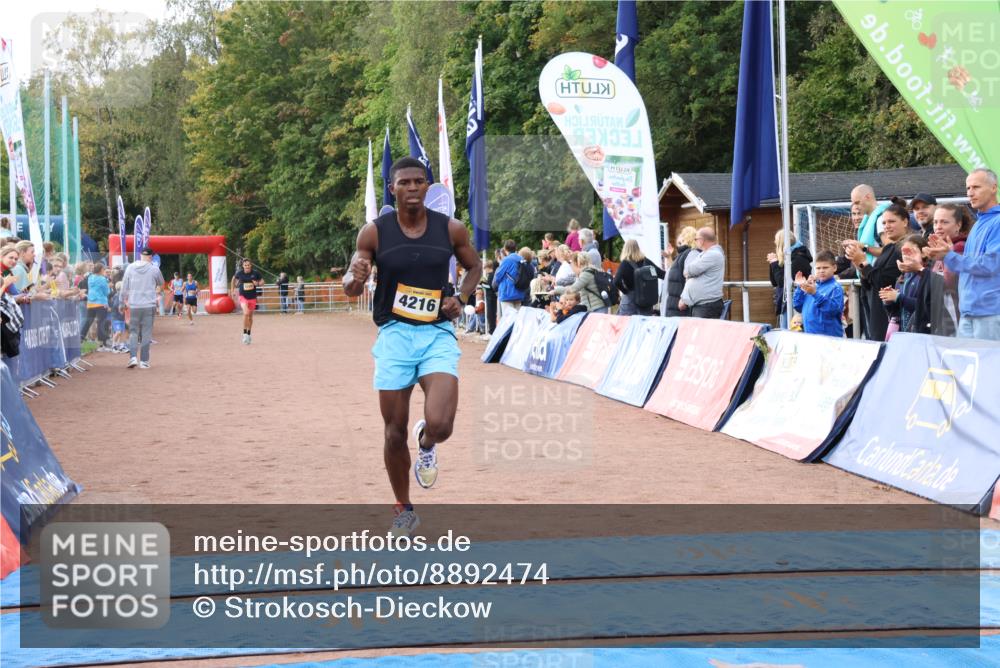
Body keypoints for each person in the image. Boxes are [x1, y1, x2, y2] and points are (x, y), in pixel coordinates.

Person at [342, 156, 482, 536]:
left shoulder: (451, 229)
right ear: (393, 188)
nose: (413, 188)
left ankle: (427, 441)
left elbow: (475, 267)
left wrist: (463, 299)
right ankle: (404, 509)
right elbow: (352, 285)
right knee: (392, 431)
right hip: (394, 335)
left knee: (442, 423)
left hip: (436, 333)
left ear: (428, 186)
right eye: (404, 182)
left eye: (419, 182)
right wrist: (354, 279)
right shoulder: (374, 233)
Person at [925, 167, 1000, 341]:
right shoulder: (979, 224)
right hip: (968, 312)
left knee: (990, 368)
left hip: (990, 312)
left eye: (976, 187)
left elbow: (991, 265)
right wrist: (940, 256)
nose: (970, 193)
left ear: (994, 188)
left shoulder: (997, 222)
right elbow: (966, 268)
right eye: (968, 188)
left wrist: (948, 256)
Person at [846, 197, 909, 341]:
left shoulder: (904, 248)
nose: (887, 226)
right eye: (884, 223)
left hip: (892, 319)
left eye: (892, 222)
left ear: (905, 222)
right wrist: (858, 263)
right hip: (877, 314)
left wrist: (863, 262)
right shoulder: (888, 248)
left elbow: (884, 282)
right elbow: (870, 282)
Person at [880, 234, 950, 336]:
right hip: (904, 334)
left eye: (912, 252)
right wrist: (889, 301)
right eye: (904, 253)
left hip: (922, 334)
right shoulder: (901, 279)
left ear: (923, 254)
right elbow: (895, 313)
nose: (907, 256)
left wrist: (899, 297)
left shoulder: (927, 276)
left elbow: (925, 307)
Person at [929, 203, 973, 329]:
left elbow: (948, 283)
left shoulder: (960, 247)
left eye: (944, 222)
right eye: (935, 222)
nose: (938, 227)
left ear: (958, 225)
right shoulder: (939, 249)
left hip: (956, 316)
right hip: (942, 315)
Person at [121, 247, 165, 369]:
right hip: (149, 305)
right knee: (146, 333)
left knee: (133, 332)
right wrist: (157, 291)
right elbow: (161, 282)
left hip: (134, 305)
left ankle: (133, 357)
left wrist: (121, 302)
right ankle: (144, 361)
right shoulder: (154, 269)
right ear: (150, 257)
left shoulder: (130, 267)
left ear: (140, 256)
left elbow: (124, 287)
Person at [792, 250, 843, 338]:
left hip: (829, 339)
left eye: (825, 267)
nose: (821, 271)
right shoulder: (812, 285)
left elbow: (832, 311)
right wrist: (801, 287)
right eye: (818, 268)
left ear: (834, 268)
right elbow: (798, 306)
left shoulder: (835, 288)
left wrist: (815, 293)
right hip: (811, 337)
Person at [768, 230, 812, 328]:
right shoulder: (789, 257)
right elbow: (774, 282)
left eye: (776, 243)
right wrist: (773, 263)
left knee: (791, 334)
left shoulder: (798, 258)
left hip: (796, 303)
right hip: (786, 303)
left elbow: (781, 282)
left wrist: (775, 263)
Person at [680, 227, 726, 318]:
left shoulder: (713, 254)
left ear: (701, 240)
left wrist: (689, 273)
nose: (695, 241)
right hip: (702, 306)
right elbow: (688, 271)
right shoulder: (704, 253)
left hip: (707, 306)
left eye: (696, 239)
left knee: (703, 332)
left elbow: (690, 270)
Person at [614, 239, 665, 316]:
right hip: (646, 300)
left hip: (630, 301)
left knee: (627, 324)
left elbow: (616, 281)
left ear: (625, 249)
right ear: (638, 248)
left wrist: (625, 291)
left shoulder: (624, 263)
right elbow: (662, 274)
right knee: (645, 324)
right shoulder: (646, 261)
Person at [663, 226, 697, 317]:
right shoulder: (682, 255)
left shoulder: (690, 254)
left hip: (680, 307)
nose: (679, 237)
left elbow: (690, 278)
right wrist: (668, 257)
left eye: (682, 235)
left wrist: (684, 300)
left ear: (687, 237)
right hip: (675, 305)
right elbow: (673, 272)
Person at [851, 184, 890, 262]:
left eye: (857, 202)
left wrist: (863, 247)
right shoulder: (868, 220)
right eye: (854, 203)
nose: (856, 207)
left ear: (868, 197)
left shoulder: (881, 218)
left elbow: (889, 252)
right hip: (869, 271)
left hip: (879, 272)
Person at [492, 239, 529, 319]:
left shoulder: (506, 260)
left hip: (507, 293)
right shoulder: (521, 259)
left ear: (505, 249)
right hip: (519, 292)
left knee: (508, 319)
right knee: (517, 319)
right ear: (515, 248)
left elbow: (498, 276)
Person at [231, 258, 263, 344]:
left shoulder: (255, 273)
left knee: (250, 317)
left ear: (251, 265)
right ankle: (244, 333)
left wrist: (258, 284)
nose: (247, 266)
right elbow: (233, 279)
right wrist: (232, 290)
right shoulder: (240, 273)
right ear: (243, 266)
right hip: (243, 296)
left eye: (248, 265)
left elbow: (262, 281)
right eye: (245, 265)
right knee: (246, 313)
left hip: (252, 297)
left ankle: (249, 334)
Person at [81, 263, 112, 351]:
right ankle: (102, 344)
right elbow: (107, 292)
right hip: (100, 303)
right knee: (102, 322)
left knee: (88, 321)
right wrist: (108, 287)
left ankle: (81, 337)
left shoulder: (90, 278)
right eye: (103, 270)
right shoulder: (102, 279)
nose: (104, 271)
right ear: (101, 270)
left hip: (90, 302)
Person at [109, 281, 128, 353]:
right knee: (118, 332)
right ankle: (114, 346)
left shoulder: (121, 296)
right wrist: (123, 307)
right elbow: (116, 305)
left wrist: (125, 307)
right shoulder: (117, 296)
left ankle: (121, 346)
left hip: (121, 317)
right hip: (116, 317)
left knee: (122, 332)